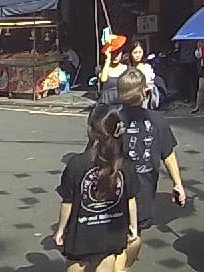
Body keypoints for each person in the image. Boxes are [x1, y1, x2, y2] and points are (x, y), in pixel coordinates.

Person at [53, 105, 140, 272]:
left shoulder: (77, 163)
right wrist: (133, 227)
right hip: (112, 229)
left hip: (82, 230)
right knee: (108, 260)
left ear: (90, 130)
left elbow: (68, 202)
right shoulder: (125, 163)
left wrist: (61, 229)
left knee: (77, 264)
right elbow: (131, 199)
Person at [116, 69, 185, 268]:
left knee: (117, 232)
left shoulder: (111, 120)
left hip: (114, 187)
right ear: (145, 93)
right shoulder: (157, 120)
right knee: (134, 233)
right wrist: (177, 183)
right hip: (143, 189)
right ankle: (123, 266)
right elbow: (168, 154)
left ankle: (118, 265)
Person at [125, 41, 158, 109]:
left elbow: (149, 84)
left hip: (145, 100)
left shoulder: (147, 67)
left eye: (140, 52)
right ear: (130, 53)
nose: (138, 55)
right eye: (135, 52)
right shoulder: (127, 68)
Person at [99, 35, 129, 104]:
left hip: (122, 103)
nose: (115, 56)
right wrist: (108, 60)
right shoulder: (105, 68)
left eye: (118, 53)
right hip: (107, 103)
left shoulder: (127, 68)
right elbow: (103, 79)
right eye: (113, 53)